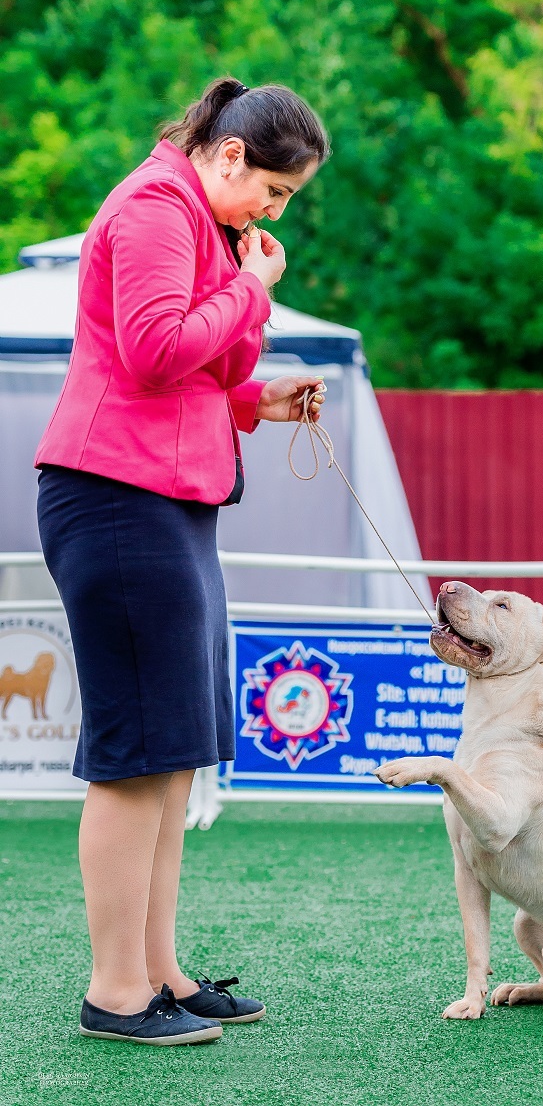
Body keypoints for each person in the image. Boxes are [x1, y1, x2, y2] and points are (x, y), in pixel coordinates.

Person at [34, 76, 330, 1046]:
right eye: (275, 193)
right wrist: (254, 286)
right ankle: (115, 991)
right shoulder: (159, 209)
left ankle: (158, 971)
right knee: (133, 758)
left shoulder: (201, 224)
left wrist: (259, 402)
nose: (275, 215)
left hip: (168, 501)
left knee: (172, 755)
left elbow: (201, 374)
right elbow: (158, 351)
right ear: (233, 156)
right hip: (116, 499)